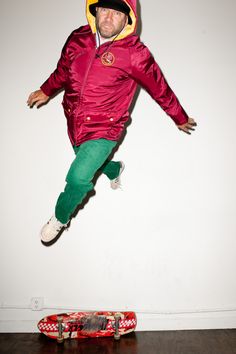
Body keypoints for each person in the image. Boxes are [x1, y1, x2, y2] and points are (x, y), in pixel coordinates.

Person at [27, 0, 197, 245]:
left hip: (105, 128)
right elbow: (63, 71)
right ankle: (114, 169)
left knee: (78, 178)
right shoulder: (78, 38)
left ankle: (60, 218)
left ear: (128, 19)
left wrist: (179, 117)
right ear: (94, 11)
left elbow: (159, 87)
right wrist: (46, 89)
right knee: (88, 160)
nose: (108, 18)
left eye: (117, 13)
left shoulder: (135, 54)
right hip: (74, 119)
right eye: (104, 10)